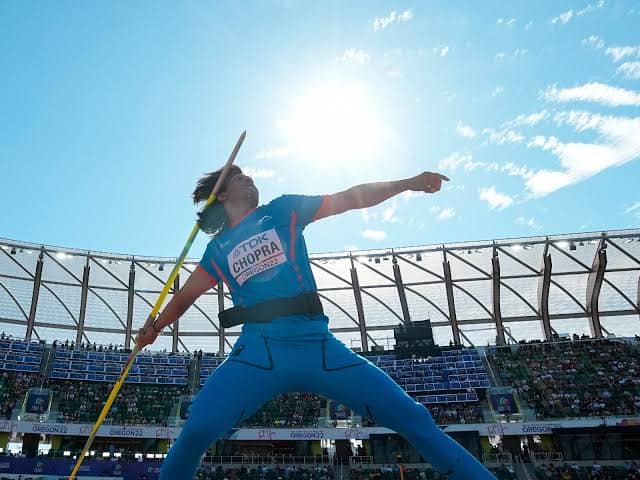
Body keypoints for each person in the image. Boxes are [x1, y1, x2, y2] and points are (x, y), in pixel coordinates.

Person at [136, 166, 496, 480]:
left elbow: (351, 198)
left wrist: (408, 183)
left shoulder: (282, 210)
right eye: (241, 177)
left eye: (251, 175)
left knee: (413, 417)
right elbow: (186, 295)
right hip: (259, 352)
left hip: (318, 347)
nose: (251, 180)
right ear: (224, 193)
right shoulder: (218, 249)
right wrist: (156, 326)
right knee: (197, 428)